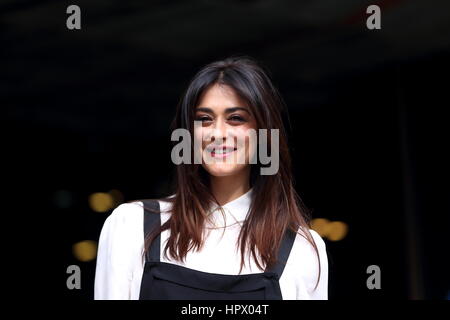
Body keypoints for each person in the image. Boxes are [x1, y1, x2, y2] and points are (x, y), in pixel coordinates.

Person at [94, 55, 328, 300]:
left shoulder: (301, 248)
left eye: (236, 118)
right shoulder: (131, 225)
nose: (218, 133)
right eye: (204, 119)